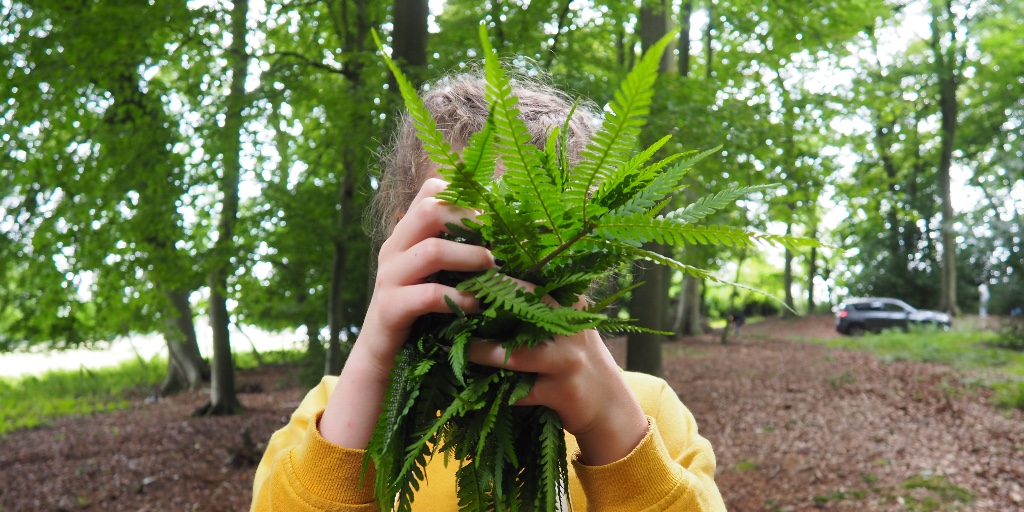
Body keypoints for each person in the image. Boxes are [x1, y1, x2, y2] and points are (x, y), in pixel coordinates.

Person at [250, 73, 725, 511]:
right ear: (404, 239)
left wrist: (610, 425)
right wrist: (374, 365)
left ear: (587, 256)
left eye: (538, 241)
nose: (500, 275)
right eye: (465, 235)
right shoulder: (330, 413)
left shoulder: (647, 412)